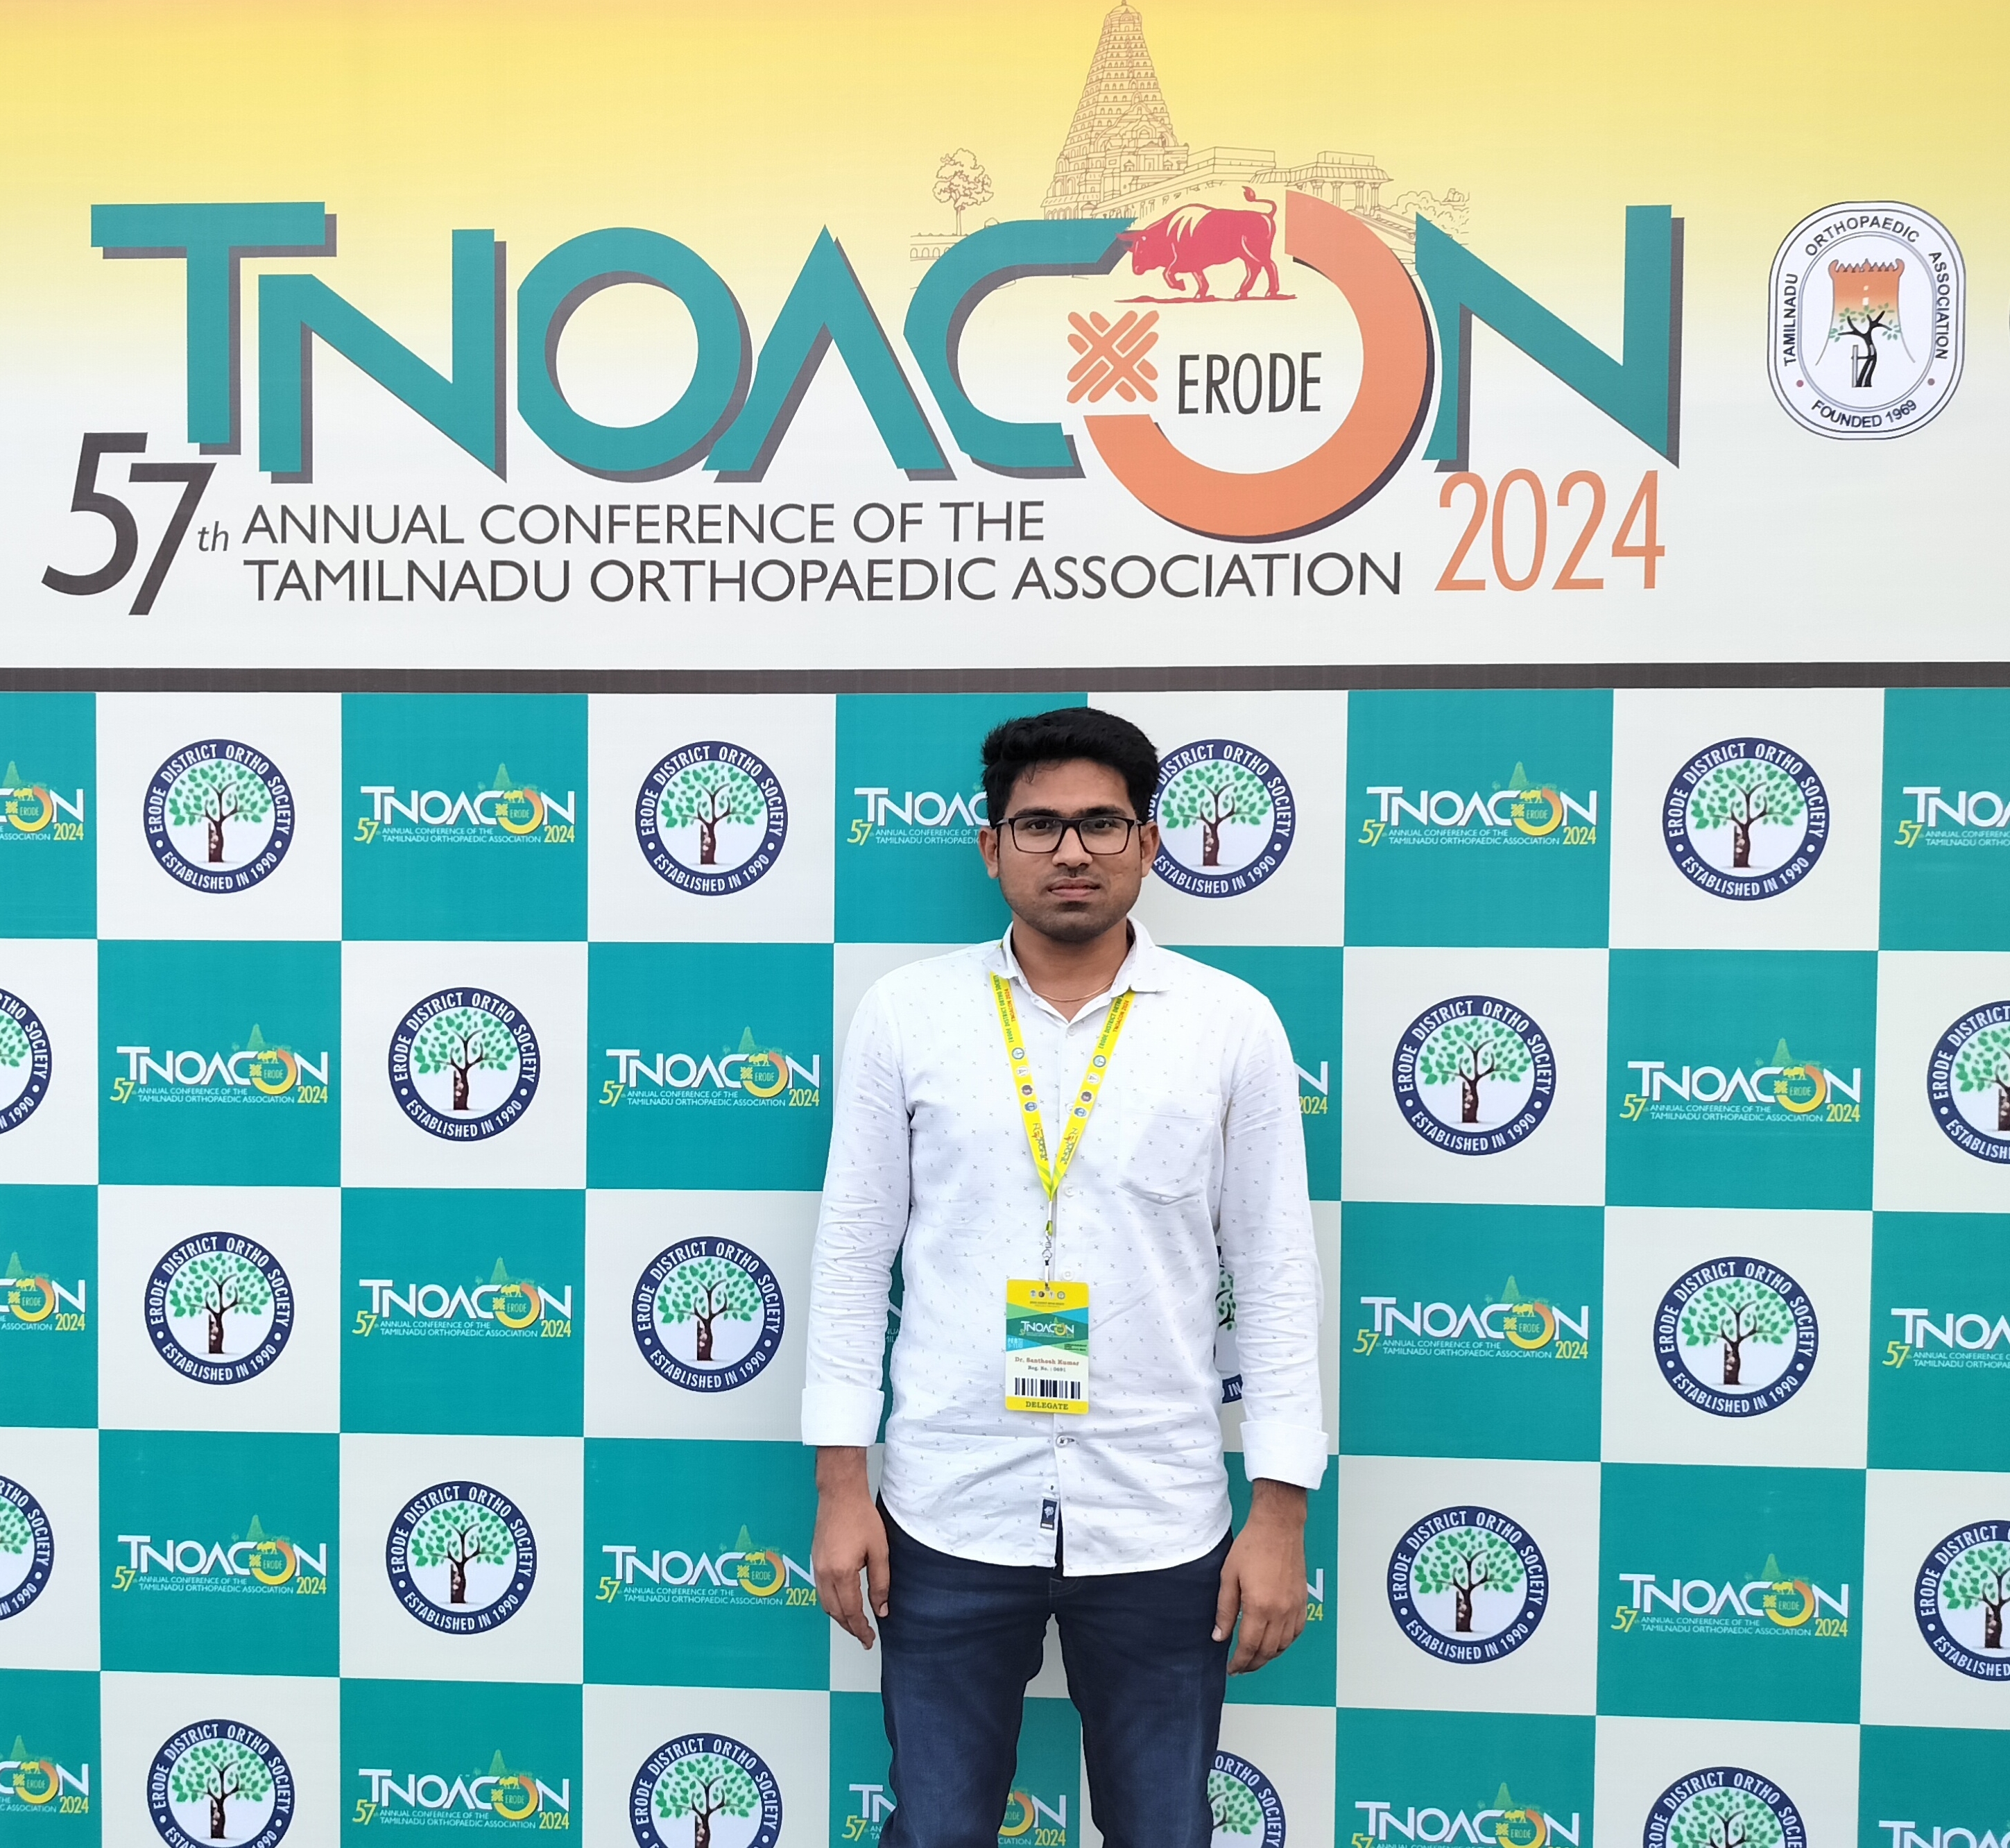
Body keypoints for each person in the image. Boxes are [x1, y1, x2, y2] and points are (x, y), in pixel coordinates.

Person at [803, 706, 1326, 1848]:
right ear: (991, 847)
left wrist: (1280, 1510)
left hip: (1157, 1517)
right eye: (1038, 826)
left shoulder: (1229, 1025)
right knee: (936, 1831)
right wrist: (843, 1485)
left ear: (1149, 842)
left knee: (1162, 1830)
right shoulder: (906, 1014)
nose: (1072, 851)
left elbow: (1277, 1274)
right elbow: (851, 1256)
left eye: (1101, 823)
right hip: (948, 1508)